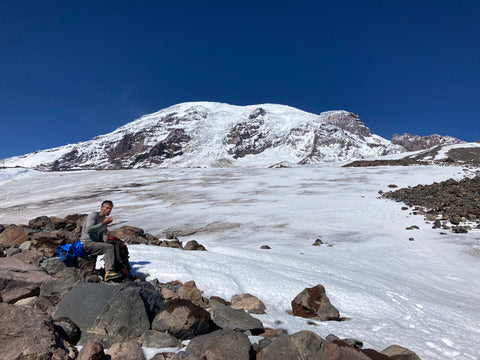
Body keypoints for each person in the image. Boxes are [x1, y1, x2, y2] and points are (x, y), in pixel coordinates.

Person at [80, 200, 122, 281]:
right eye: (107, 208)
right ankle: (109, 272)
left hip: (94, 244)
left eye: (110, 209)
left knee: (111, 246)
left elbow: (100, 237)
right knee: (109, 248)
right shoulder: (94, 215)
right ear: (101, 208)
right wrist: (102, 223)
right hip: (86, 243)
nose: (108, 210)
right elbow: (88, 230)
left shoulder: (104, 220)